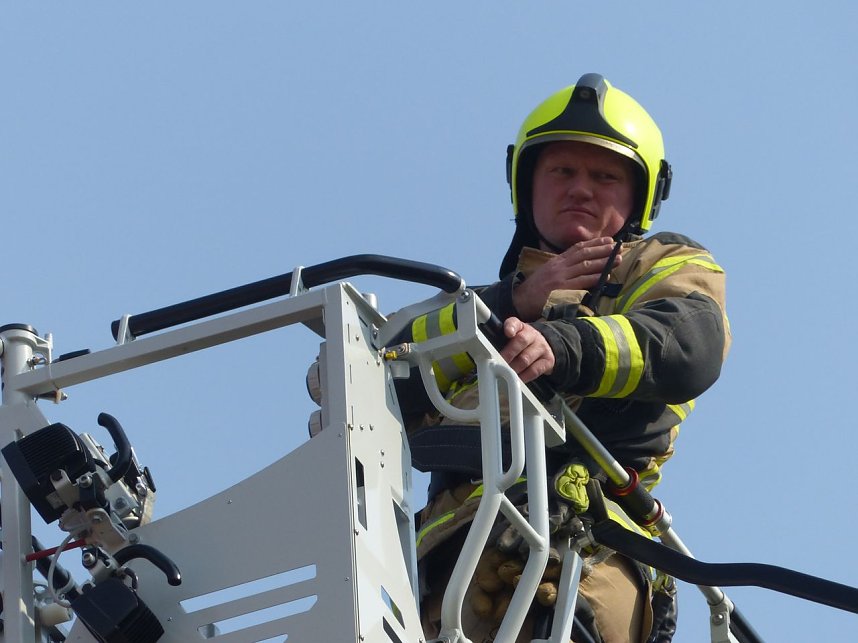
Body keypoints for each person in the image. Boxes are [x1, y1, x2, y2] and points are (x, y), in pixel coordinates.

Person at [407, 73, 730, 643]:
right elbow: (386, 370)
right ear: (525, 185)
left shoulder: (660, 265)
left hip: (585, 557)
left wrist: (561, 345)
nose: (581, 188)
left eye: (605, 175)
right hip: (443, 581)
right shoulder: (475, 312)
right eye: (562, 170)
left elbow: (688, 346)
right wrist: (513, 301)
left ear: (641, 194)